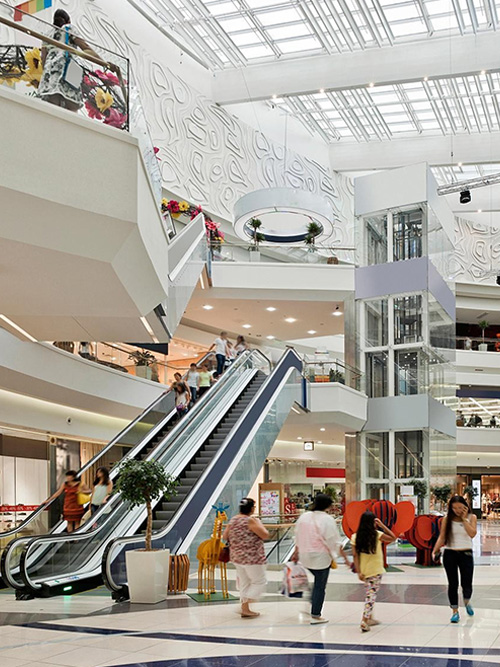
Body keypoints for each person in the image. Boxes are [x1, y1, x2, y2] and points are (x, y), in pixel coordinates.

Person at [292, 493, 350, 624]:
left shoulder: (304, 516)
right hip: (321, 557)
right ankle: (316, 614)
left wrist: (296, 552)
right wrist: (345, 558)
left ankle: (312, 603)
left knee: (317, 583)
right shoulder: (327, 519)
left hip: (305, 555)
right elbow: (333, 540)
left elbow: (298, 535)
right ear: (328, 506)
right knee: (320, 585)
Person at [38, 10, 98, 111]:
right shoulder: (69, 28)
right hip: (68, 69)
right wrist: (103, 62)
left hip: (50, 72)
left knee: (52, 106)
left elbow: (43, 58)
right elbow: (85, 47)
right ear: (68, 21)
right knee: (72, 106)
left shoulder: (47, 34)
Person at [432, 495, 477, 623]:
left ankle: (467, 601)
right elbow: (442, 536)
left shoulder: (472, 517)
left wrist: (464, 519)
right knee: (453, 584)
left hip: (466, 553)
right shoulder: (447, 519)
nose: (457, 510)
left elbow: (472, 534)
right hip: (450, 553)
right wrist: (435, 550)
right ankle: (455, 611)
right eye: (454, 508)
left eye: (460, 507)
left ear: (465, 506)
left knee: (466, 583)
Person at [223, 498, 269, 618]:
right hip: (252, 558)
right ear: (252, 508)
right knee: (260, 582)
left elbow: (225, 536)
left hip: (237, 557)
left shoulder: (233, 520)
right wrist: (259, 523)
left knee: (245, 583)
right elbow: (265, 534)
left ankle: (245, 609)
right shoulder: (250, 521)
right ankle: (246, 603)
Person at [351, 511, 397, 632]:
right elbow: (393, 537)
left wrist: (359, 571)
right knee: (370, 596)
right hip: (375, 569)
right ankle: (364, 620)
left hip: (364, 570)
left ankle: (370, 618)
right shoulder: (377, 535)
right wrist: (382, 526)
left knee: (369, 592)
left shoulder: (355, 537)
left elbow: (355, 556)